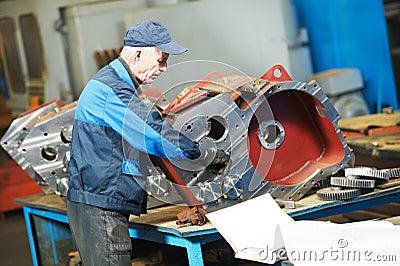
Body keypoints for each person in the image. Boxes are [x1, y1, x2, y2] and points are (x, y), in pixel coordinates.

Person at [66, 20, 228, 265]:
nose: (164, 68)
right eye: (161, 60)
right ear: (138, 53)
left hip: (96, 199)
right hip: (99, 207)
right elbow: (152, 132)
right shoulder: (112, 90)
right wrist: (203, 154)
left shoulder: (112, 83)